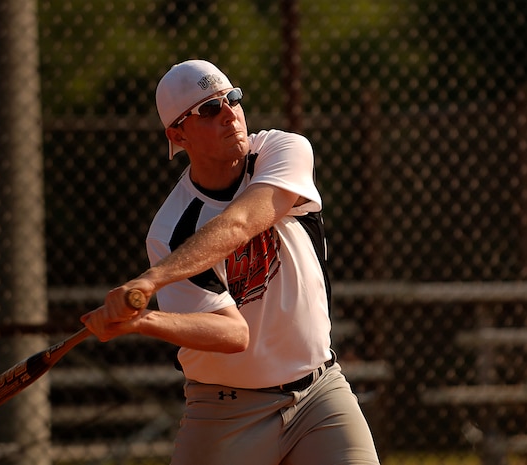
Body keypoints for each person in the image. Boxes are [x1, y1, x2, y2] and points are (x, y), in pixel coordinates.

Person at [80, 59, 380, 465]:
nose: (229, 114)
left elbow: (241, 222)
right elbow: (233, 335)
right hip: (225, 413)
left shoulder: (282, 150)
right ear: (177, 134)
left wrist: (151, 281)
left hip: (319, 395)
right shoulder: (170, 230)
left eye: (232, 98)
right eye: (208, 109)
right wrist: (140, 321)